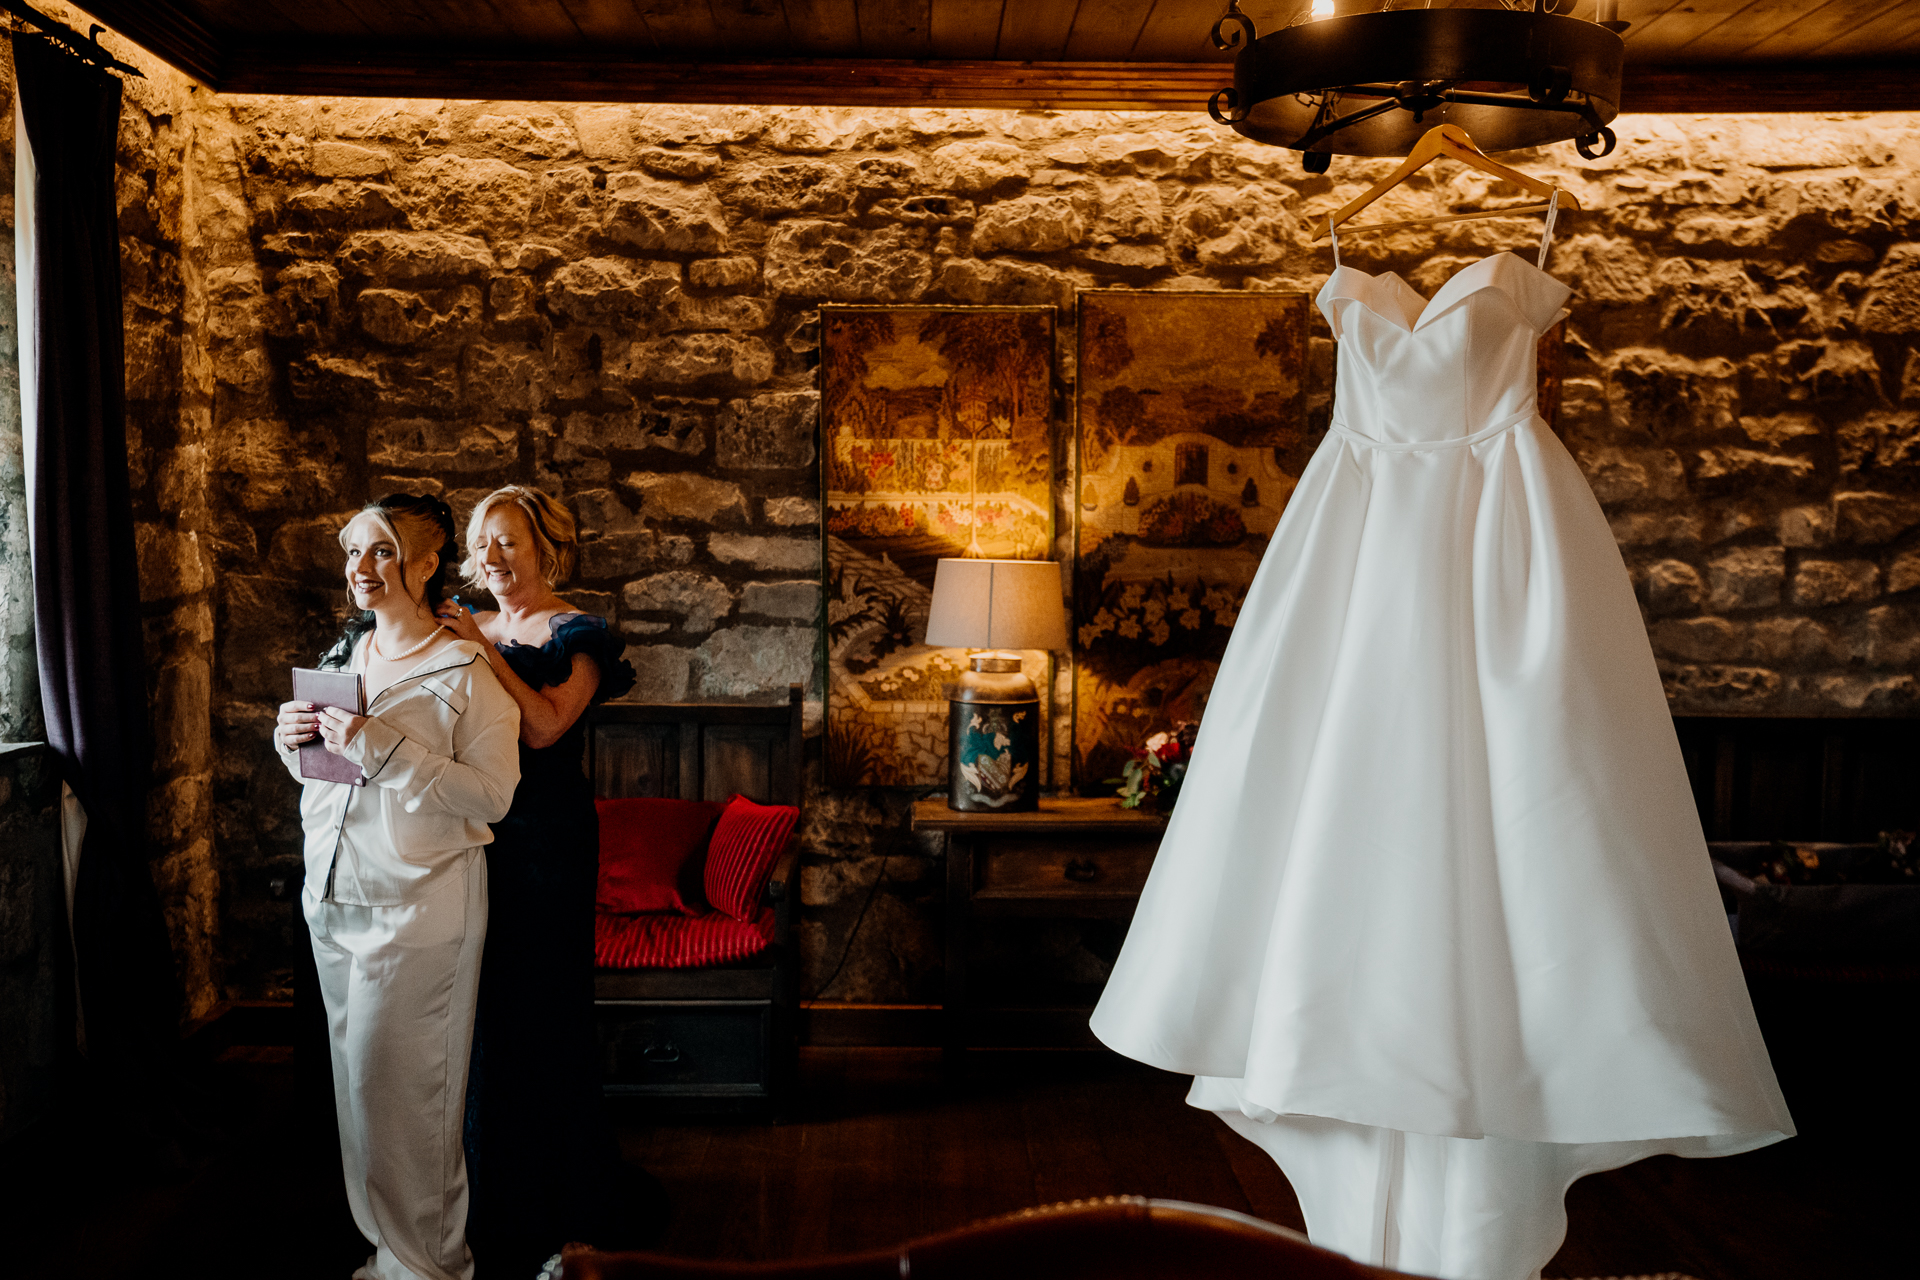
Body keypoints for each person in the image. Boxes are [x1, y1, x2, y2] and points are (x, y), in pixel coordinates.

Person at [1090, 230, 1792, 1280]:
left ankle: (1481, 1166)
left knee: (1524, 806)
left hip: (1501, 539)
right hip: (1356, 550)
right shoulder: (1351, 276)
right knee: (1344, 814)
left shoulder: (1540, 235)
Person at [275, 493, 521, 1280]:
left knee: (411, 1103)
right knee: (359, 1100)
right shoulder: (345, 660)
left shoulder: (466, 670)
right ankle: (391, 1258)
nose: (361, 568)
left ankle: (435, 1267)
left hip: (422, 909)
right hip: (337, 898)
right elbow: (330, 781)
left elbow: (493, 797)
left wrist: (382, 748)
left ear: (423, 564)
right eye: (353, 552)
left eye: (381, 551)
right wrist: (292, 744)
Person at [431, 485, 645, 1278]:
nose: (491, 557)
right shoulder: (458, 625)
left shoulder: (577, 632)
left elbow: (550, 725)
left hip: (546, 844)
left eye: (508, 542)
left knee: (543, 1012)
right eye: (482, 543)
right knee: (480, 1016)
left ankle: (567, 1204)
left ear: (547, 547)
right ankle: (484, 1203)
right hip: (469, 836)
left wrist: (482, 651)